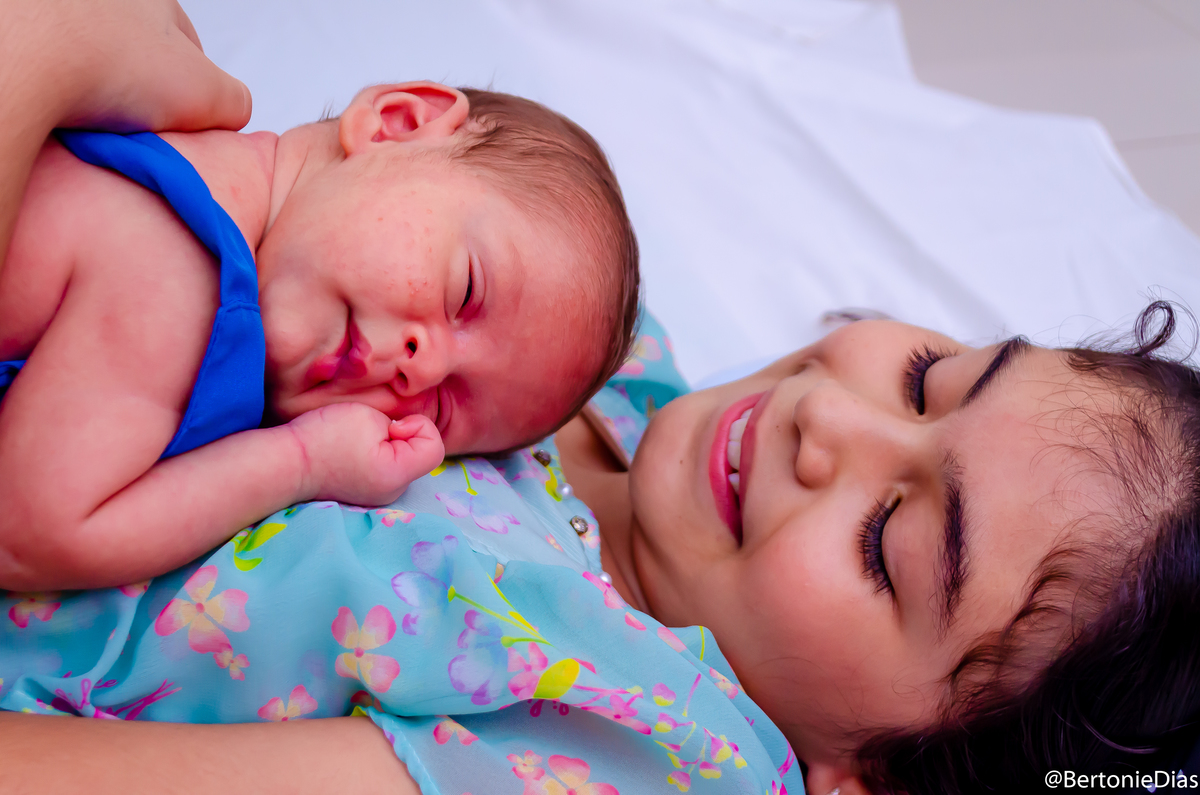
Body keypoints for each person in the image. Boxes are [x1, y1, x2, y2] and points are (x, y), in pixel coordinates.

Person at [6, 302, 1200, 795]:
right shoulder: (590, 336)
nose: (828, 416)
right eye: (929, 377)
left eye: (892, 541)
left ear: (874, 782)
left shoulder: (635, 745)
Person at [0, 75, 640, 592]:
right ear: (398, 124)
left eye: (443, 408)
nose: (421, 369)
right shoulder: (173, 267)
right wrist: (302, 462)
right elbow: (31, 534)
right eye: (466, 292)